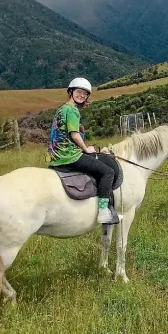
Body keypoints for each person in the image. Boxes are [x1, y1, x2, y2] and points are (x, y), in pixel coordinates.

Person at [47, 77, 119, 225]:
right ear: (71, 92)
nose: (82, 96)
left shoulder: (62, 109)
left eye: (85, 94)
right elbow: (74, 135)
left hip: (55, 156)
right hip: (69, 156)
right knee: (108, 172)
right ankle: (103, 212)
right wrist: (86, 149)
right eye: (79, 92)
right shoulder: (72, 111)